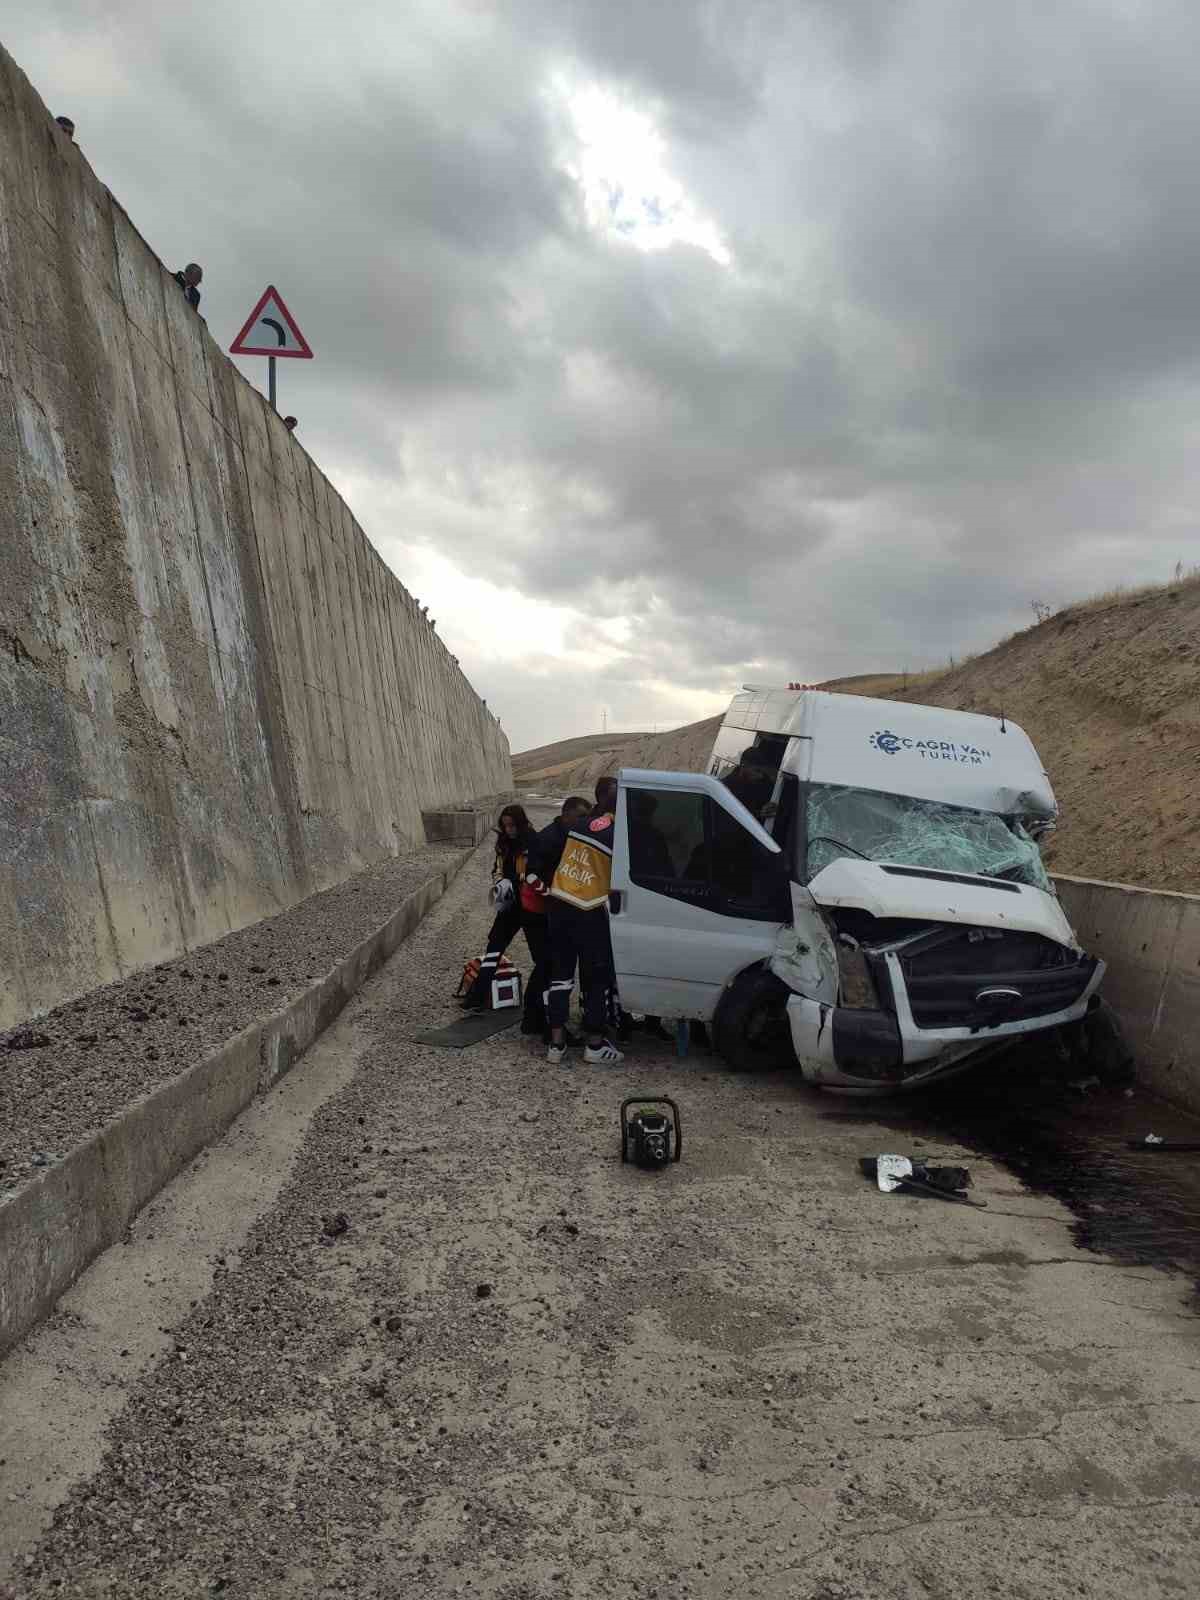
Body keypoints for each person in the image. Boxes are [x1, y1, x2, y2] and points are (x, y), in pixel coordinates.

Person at [544, 790, 625, 1068]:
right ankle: (594, 1045)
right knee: (594, 980)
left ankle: (556, 1045)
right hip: (589, 911)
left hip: (559, 904)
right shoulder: (619, 835)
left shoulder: (579, 825)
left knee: (561, 977)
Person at [461, 804, 546, 1033]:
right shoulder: (504, 845)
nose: (508, 830)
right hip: (509, 906)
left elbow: (537, 872)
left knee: (541, 957)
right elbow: (496, 869)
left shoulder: (534, 841)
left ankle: (538, 1004)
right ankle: (476, 998)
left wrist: (521, 882)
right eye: (505, 826)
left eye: (511, 825)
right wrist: (500, 884)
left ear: (520, 823)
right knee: (493, 950)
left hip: (529, 907)